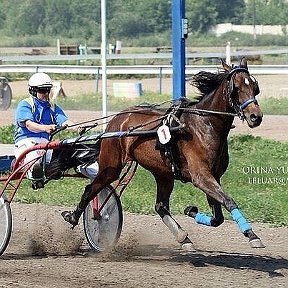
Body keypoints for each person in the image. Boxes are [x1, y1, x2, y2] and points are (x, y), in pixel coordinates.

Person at [14, 72, 98, 188]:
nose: (46, 94)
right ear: (33, 91)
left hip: (45, 145)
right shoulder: (25, 104)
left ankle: (96, 176)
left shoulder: (52, 106)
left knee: (73, 151)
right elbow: (28, 125)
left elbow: (64, 121)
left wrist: (77, 127)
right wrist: (46, 128)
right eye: (43, 91)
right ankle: (33, 171)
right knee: (35, 157)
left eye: (48, 90)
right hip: (26, 144)